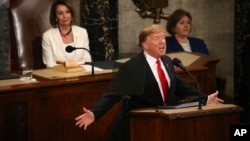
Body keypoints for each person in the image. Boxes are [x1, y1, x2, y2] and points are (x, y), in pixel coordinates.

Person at [75, 24, 224, 141]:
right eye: (156, 39)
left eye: (163, 38)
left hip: (164, 123)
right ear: (145, 45)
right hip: (140, 127)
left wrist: (204, 98)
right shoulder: (132, 67)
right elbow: (112, 94)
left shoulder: (166, 61)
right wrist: (95, 113)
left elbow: (179, 85)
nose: (162, 42)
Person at [42, 0, 91, 68]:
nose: (64, 16)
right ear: (55, 16)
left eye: (67, 12)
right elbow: (49, 64)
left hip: (80, 74)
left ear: (72, 14)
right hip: (58, 76)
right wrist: (72, 66)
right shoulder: (47, 36)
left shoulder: (82, 32)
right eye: (60, 13)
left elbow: (87, 61)